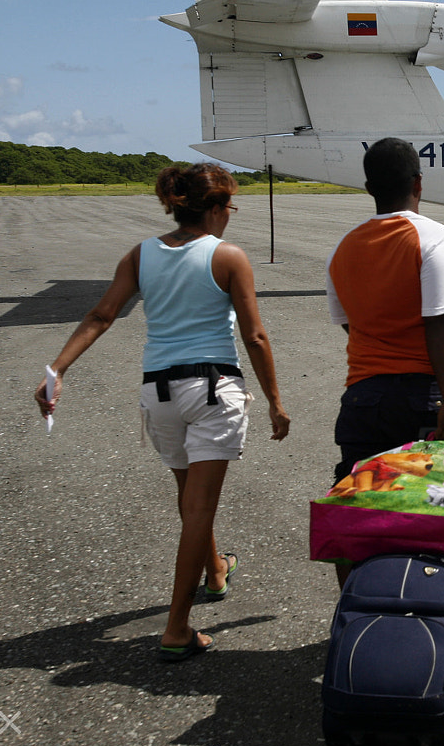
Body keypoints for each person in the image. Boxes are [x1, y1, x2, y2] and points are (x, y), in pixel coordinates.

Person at [34, 163, 290, 661]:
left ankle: (216, 570)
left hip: (160, 394)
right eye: (229, 208)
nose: (229, 218)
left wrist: (57, 370)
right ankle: (176, 627)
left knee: (191, 499)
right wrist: (277, 403)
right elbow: (254, 336)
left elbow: (101, 315)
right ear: (214, 209)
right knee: (198, 509)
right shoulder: (227, 256)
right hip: (212, 389)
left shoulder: (141, 254)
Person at [326, 136, 444, 487]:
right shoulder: (435, 238)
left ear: (368, 188)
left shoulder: (343, 248)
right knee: (436, 510)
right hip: (426, 396)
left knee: (369, 511)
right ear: (418, 182)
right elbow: (440, 324)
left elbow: (352, 325)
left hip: (364, 400)